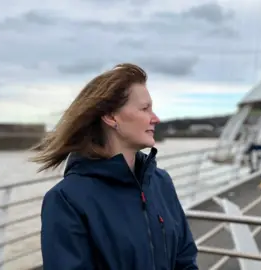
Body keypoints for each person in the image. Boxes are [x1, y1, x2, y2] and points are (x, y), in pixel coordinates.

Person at [30, 63, 198, 269]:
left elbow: (185, 260)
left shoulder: (161, 182)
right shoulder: (67, 199)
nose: (156, 119)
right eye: (145, 108)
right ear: (111, 117)